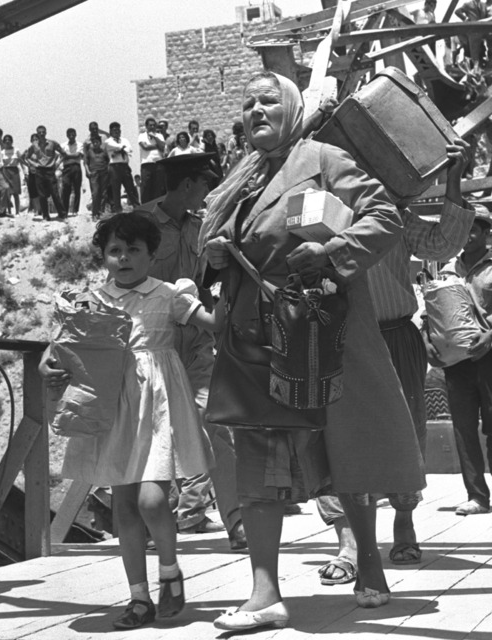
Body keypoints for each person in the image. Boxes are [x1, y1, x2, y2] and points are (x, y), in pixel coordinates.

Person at [201, 71, 425, 631]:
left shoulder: (324, 159)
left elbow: (383, 216)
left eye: (268, 100)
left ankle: (368, 563)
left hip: (318, 331)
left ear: (293, 109)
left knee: (341, 446)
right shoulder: (242, 178)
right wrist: (218, 256)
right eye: (248, 103)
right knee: (257, 453)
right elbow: (226, 248)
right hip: (254, 339)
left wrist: (331, 252)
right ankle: (265, 593)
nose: (256, 110)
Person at [39, 212, 221, 629]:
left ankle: (170, 573)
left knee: (152, 501)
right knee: (123, 504)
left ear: (152, 255)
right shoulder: (91, 302)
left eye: (133, 250)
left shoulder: (169, 295)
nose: (123, 258)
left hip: (157, 405)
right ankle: (139, 597)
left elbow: (215, 324)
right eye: (114, 251)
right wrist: (47, 367)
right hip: (114, 406)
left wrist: (224, 283)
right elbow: (58, 350)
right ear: (103, 256)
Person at [316, 139, 473, 583]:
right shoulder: (316, 213)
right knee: (334, 435)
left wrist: (454, 179)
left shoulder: (394, 215)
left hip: (395, 335)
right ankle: (347, 541)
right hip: (337, 337)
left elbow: (442, 244)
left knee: (406, 430)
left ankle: (404, 522)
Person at [136, 153, 247, 551]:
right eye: (203, 184)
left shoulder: (203, 227)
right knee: (153, 432)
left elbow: (207, 282)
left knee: (216, 426)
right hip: (155, 343)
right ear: (186, 185)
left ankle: (237, 522)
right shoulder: (141, 225)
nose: (206, 193)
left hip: (197, 340)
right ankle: (154, 524)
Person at [426, 207, 492, 515]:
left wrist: (490, 337)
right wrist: (427, 342)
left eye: (473, 230)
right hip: (456, 363)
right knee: (464, 429)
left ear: (486, 232)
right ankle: (477, 497)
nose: (467, 236)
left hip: (489, 358)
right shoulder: (447, 270)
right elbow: (429, 311)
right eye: (463, 230)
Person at [24, 125, 68, 220]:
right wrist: (34, 164)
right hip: (39, 171)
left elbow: (64, 154)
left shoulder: (52, 143)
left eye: (43, 132)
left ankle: (62, 214)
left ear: (46, 132)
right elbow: (27, 157)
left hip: (50, 171)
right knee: (42, 195)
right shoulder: (34, 145)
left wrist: (57, 163)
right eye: (39, 132)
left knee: (55, 193)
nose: (41, 134)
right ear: (37, 133)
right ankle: (46, 216)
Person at [106, 121, 140, 213]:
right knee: (116, 189)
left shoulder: (125, 140)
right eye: (114, 130)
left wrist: (119, 150)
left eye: (118, 130)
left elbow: (129, 149)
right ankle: (118, 210)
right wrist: (121, 148)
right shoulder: (108, 142)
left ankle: (137, 207)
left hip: (124, 166)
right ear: (110, 131)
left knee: (130, 188)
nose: (117, 132)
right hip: (114, 167)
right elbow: (115, 147)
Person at [138, 115, 166, 203]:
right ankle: (145, 207)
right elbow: (145, 147)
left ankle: (156, 206)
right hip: (147, 164)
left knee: (158, 187)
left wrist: (155, 137)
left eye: (154, 125)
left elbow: (162, 146)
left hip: (158, 164)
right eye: (150, 125)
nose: (152, 127)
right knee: (146, 187)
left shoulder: (159, 136)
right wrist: (157, 146)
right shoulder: (142, 136)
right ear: (146, 126)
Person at [84, 135, 110, 220]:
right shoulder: (89, 152)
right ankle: (94, 213)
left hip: (103, 173)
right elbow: (86, 163)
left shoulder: (104, 152)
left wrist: (107, 170)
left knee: (103, 194)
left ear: (100, 143)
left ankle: (101, 213)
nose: (95, 144)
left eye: (97, 142)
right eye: (94, 142)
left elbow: (108, 161)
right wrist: (88, 171)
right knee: (95, 193)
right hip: (94, 174)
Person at [60, 128, 84, 216]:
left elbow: (78, 155)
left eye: (73, 134)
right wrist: (71, 156)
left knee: (77, 188)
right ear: (67, 135)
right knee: (66, 188)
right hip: (66, 168)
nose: (71, 136)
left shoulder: (80, 145)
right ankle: (64, 210)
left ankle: (75, 210)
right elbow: (61, 156)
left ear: (76, 134)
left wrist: (67, 155)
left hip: (76, 167)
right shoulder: (63, 145)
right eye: (69, 134)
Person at [1, 133, 24, 216]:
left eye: (9, 140)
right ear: (3, 142)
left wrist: (25, 171)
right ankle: (9, 211)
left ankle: (17, 212)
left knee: (16, 192)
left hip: (14, 171)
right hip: (5, 172)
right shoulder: (2, 152)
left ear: (12, 141)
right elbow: (0, 164)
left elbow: (21, 161)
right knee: (7, 192)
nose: (7, 141)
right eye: (6, 140)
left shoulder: (16, 150)